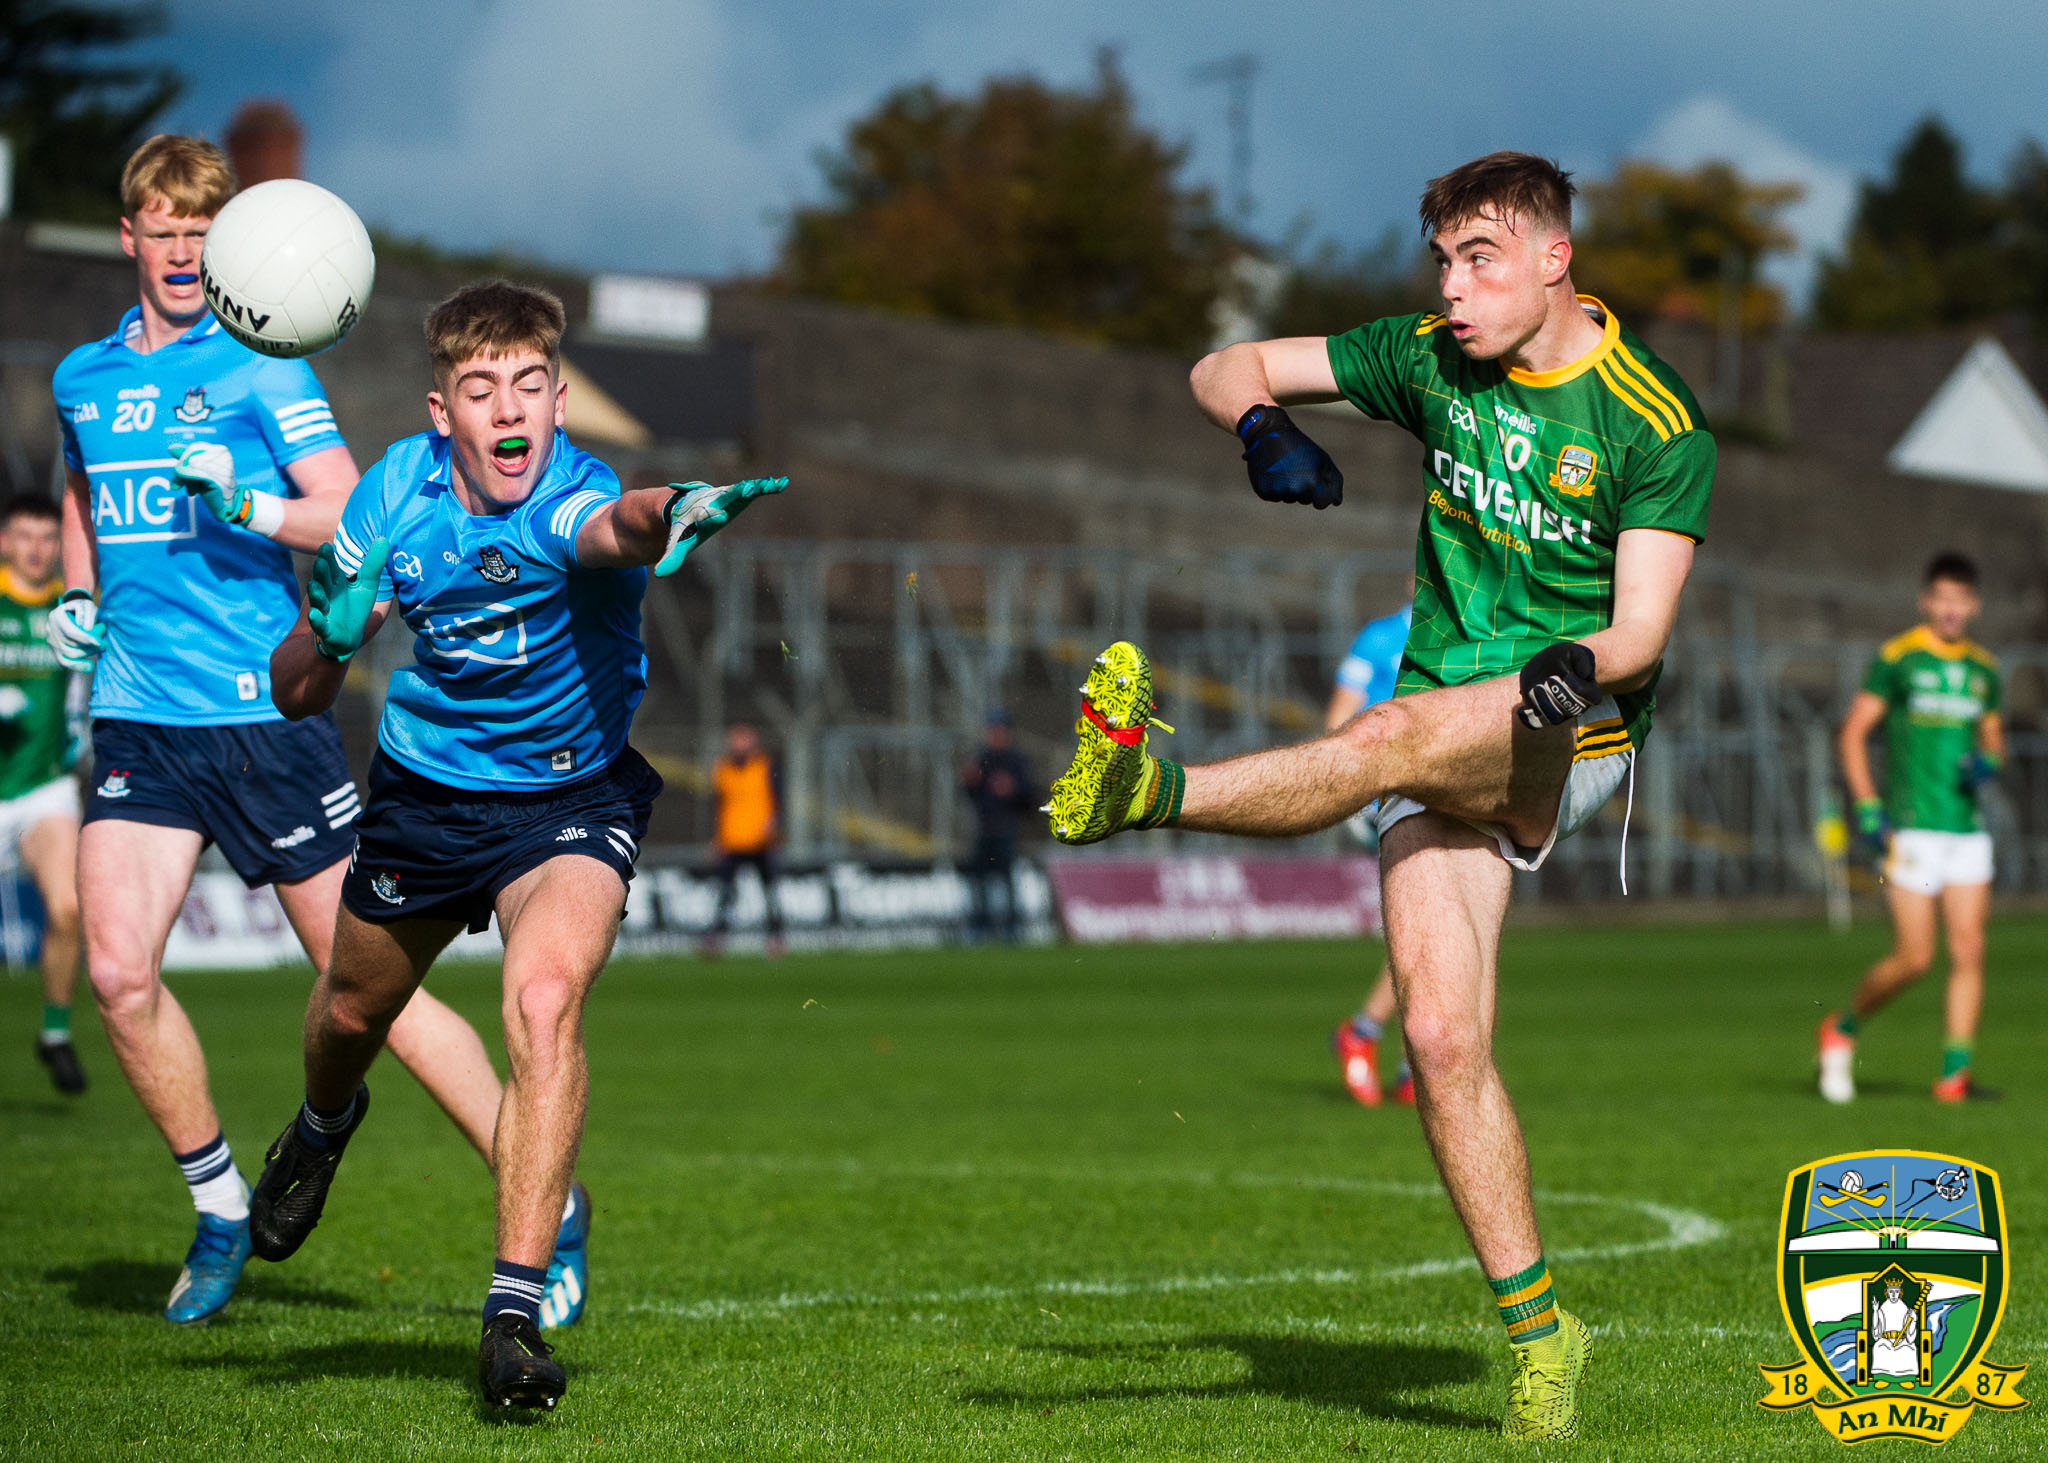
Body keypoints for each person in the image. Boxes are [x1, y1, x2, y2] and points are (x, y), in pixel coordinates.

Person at [1042, 152, 1713, 1441]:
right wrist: (1259, 427)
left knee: (1390, 731)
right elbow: (1218, 362)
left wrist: (1569, 667)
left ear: (1555, 260)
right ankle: (1541, 1333)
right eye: (1442, 263)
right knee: (1441, 1043)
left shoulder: (1653, 416)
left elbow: (1637, 630)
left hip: (1572, 738)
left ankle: (1143, 785)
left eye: (1481, 260)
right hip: (1445, 730)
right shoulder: (1426, 356)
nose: (1452, 291)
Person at [47, 135, 585, 1329]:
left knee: (364, 998)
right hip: (138, 715)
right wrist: (77, 591)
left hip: (261, 718)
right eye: (164, 226)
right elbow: (77, 486)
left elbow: (356, 513)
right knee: (119, 971)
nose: (185, 248)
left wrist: (242, 500)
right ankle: (223, 1202)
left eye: (204, 229)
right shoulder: (81, 376)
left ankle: (547, 1193)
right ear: (128, 236)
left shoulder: (259, 365)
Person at [248, 279, 785, 1410]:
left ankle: (511, 1316)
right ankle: (320, 1125)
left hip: (568, 800)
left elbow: (614, 523)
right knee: (349, 1012)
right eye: (482, 387)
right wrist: (331, 633)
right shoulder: (389, 494)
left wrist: (676, 505)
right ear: (441, 409)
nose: (510, 409)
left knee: (542, 1001)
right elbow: (295, 689)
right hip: (426, 798)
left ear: (555, 397)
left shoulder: (571, 496)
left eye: (531, 385)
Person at [1817, 552, 2001, 1105]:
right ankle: (1841, 1028)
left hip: (1965, 829)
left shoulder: (1984, 671)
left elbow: (1994, 740)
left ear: (1973, 605)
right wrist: (1869, 808)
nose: (1951, 609)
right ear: (1928, 601)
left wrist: (1988, 762)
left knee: (1969, 949)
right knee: (1916, 958)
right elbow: (1852, 734)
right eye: (1941, 598)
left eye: (1960, 600)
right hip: (1913, 831)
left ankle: (1954, 1075)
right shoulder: (1898, 659)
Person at [0, 495, 88, 1095]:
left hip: (42, 787)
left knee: (67, 908)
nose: (35, 548)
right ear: (4, 541)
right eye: (23, 536)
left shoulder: (71, 606)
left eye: (46, 536)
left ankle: (55, 1033)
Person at [1326, 599, 1413, 1108]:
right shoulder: (1380, 638)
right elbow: (1340, 715)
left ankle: (1410, 1065)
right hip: (1385, 798)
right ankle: (1364, 1032)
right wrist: (1347, 790)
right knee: (1428, 927)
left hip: (1440, 792)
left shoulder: (1468, 627)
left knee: (1439, 929)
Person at [959, 710, 1036, 943]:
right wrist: (968, 781)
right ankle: (979, 925)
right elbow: (969, 792)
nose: (994, 736)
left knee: (1007, 879)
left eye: (998, 731)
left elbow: (1029, 797)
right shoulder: (981, 759)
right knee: (979, 879)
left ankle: (1012, 927)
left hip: (1006, 829)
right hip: (983, 828)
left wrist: (1012, 790)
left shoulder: (1017, 761)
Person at [707, 722, 783, 955]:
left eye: (744, 739)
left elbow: (779, 799)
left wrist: (774, 822)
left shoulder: (765, 766)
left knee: (769, 891)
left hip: (761, 841)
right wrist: (716, 838)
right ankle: (717, 936)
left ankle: (775, 936)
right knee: (726, 892)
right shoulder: (722, 770)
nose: (739, 745)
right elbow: (717, 805)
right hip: (732, 841)